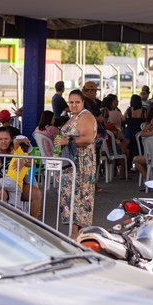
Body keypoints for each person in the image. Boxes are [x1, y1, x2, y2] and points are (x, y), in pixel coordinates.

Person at [56, 89, 98, 238]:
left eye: (77, 102)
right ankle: (75, 234)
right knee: (72, 198)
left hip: (81, 164)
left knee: (79, 198)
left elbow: (88, 138)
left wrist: (67, 141)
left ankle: (76, 236)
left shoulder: (85, 116)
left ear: (83, 103)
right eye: (71, 102)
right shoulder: (74, 117)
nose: (73, 105)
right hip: (71, 164)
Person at [0, 129, 42, 218]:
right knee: (3, 195)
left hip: (11, 182)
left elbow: (33, 161)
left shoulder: (17, 151)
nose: (3, 141)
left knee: (36, 193)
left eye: (6, 139)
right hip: (5, 185)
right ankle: (1, 221)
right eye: (0, 139)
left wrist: (25, 161)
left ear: (11, 140)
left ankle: (32, 223)